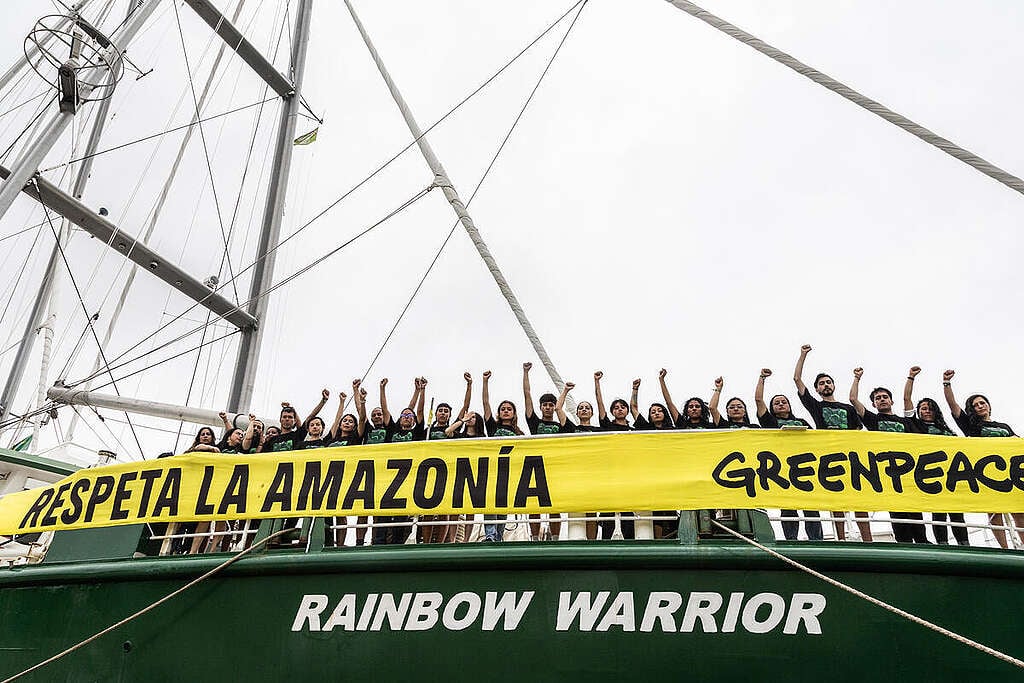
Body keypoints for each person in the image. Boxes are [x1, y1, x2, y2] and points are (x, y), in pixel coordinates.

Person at [793, 344, 871, 542]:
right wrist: (803, 355)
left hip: (852, 457)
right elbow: (797, 380)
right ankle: (841, 538)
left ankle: (867, 539)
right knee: (837, 498)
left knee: (859, 498)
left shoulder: (847, 408)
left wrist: (857, 378)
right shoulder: (816, 407)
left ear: (833, 386)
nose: (826, 385)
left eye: (828, 382)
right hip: (829, 456)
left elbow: (857, 430)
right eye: (821, 383)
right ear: (817, 389)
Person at [943, 369, 1023, 549]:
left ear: (988, 405)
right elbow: (953, 406)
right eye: (976, 405)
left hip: (1012, 473)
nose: (980, 406)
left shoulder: (1003, 426)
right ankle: (1004, 549)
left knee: (1019, 513)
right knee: (995, 511)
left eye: (982, 403)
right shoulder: (970, 425)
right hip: (987, 472)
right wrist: (946, 383)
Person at [849, 368, 927, 544]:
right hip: (889, 474)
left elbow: (907, 400)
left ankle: (923, 543)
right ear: (874, 405)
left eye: (885, 397)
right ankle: (904, 546)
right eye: (878, 398)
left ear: (891, 400)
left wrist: (911, 377)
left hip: (909, 472)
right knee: (898, 515)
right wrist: (857, 378)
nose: (882, 400)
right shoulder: (873, 420)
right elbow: (853, 399)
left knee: (915, 512)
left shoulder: (906, 421)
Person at [754, 368, 822, 541]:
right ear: (772, 408)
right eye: (776, 403)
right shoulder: (770, 421)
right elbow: (758, 400)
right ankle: (791, 539)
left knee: (810, 506)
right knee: (788, 505)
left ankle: (816, 539)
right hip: (782, 467)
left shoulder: (802, 421)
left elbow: (817, 439)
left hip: (805, 466)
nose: (781, 404)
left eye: (784, 401)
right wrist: (762, 378)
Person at [903, 366, 968, 545]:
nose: (927, 411)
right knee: (938, 511)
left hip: (953, 472)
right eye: (923, 408)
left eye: (930, 408)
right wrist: (911, 377)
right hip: (931, 473)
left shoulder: (945, 428)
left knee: (956, 511)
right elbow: (906, 399)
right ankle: (943, 543)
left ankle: (964, 543)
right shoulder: (914, 425)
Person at [372, 378, 427, 546]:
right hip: (387, 474)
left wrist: (421, 391)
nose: (407, 417)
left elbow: (418, 411)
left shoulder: (416, 431)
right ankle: (379, 542)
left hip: (406, 475)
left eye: (409, 416)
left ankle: (397, 542)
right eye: (403, 415)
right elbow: (385, 409)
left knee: (401, 511)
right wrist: (382, 389)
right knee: (383, 510)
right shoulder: (392, 429)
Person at [523, 362, 572, 540]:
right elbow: (527, 395)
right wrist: (526, 372)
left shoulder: (560, 426)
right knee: (534, 505)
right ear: (541, 407)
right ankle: (534, 538)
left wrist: (564, 392)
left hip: (554, 466)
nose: (548, 407)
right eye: (545, 405)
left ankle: (556, 537)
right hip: (535, 464)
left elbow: (561, 410)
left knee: (554, 504)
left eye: (551, 405)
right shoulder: (535, 423)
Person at [630, 378, 677, 539]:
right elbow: (634, 408)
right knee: (656, 507)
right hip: (653, 472)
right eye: (653, 412)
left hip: (671, 471)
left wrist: (662, 381)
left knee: (672, 507)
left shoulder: (673, 430)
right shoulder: (646, 427)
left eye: (659, 410)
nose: (656, 413)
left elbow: (670, 403)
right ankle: (657, 540)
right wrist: (635, 389)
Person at [480, 369, 521, 541]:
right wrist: (485, 382)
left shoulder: (519, 433)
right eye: (503, 409)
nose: (505, 411)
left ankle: (499, 535)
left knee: (502, 505)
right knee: (490, 502)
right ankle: (490, 535)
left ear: (513, 413)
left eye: (509, 409)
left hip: (509, 471)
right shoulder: (493, 427)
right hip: (492, 469)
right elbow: (486, 403)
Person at [262, 389, 329, 452]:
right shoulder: (272, 440)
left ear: (294, 421)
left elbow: (311, 416)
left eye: (290, 417)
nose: (287, 419)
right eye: (284, 417)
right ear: (280, 420)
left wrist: (323, 401)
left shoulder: (297, 435)